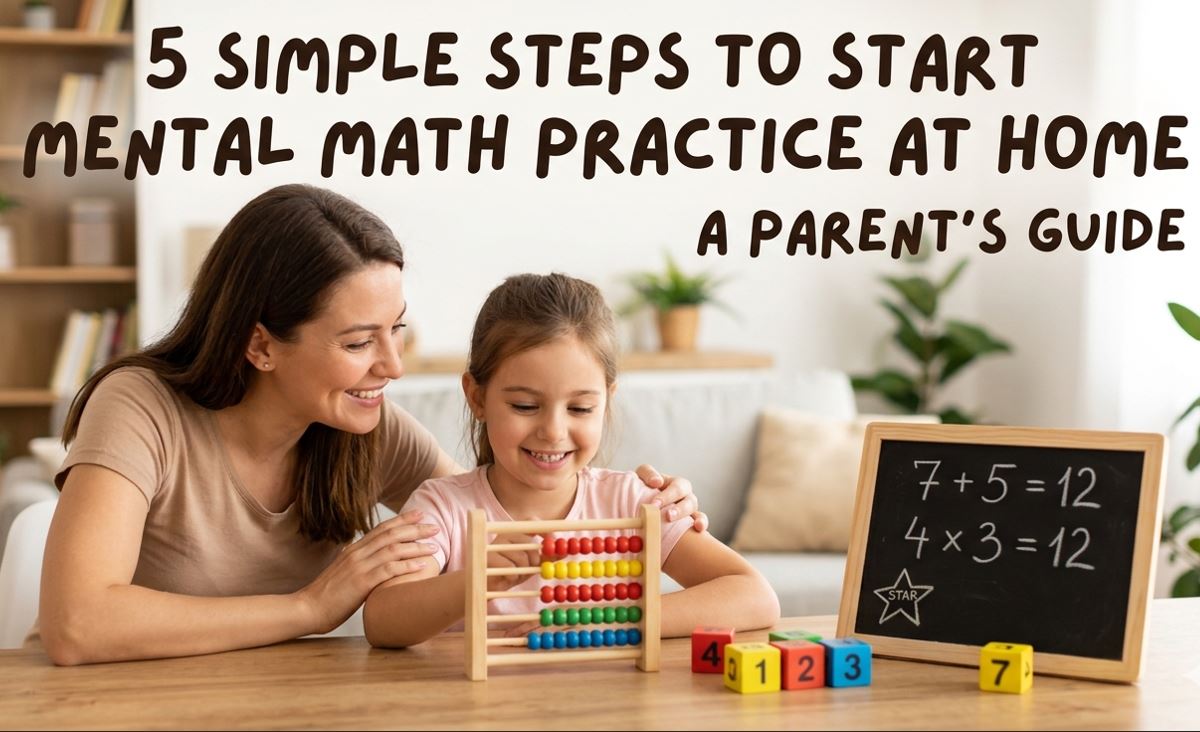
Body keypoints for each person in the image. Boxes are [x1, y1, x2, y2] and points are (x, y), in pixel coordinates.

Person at [38, 184, 706, 666]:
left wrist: (659, 509)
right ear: (261, 344)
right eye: (359, 342)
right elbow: (77, 625)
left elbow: (496, 516)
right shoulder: (140, 407)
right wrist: (311, 607)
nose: (392, 366)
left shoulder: (368, 428)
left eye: (397, 331)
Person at [363, 273, 779, 648]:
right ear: (477, 397)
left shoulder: (633, 503)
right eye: (525, 406)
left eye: (580, 408)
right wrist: (477, 580)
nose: (553, 431)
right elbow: (382, 622)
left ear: (607, 401)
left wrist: (616, 620)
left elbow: (755, 596)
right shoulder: (444, 508)